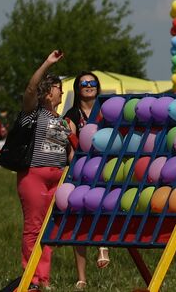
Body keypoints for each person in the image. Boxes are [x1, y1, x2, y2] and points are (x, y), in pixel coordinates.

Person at [14, 50, 74, 292]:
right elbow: (30, 89)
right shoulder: (33, 113)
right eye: (59, 87)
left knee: (48, 230)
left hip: (57, 178)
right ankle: (32, 279)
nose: (62, 91)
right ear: (49, 91)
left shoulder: (62, 120)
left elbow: (69, 151)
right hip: (34, 176)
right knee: (33, 227)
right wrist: (47, 64)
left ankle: (44, 279)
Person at [63, 72, 110, 288]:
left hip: (104, 168)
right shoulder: (72, 114)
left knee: (100, 206)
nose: (89, 86)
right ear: (78, 88)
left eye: (93, 83)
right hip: (81, 169)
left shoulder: (106, 112)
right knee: (78, 220)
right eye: (84, 84)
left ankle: (102, 246)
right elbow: (72, 146)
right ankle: (81, 277)